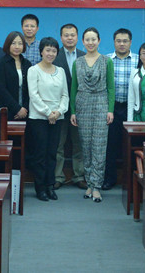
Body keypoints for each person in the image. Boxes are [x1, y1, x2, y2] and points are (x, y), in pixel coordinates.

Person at [70, 27, 115, 203]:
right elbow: (74, 88)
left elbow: (111, 87)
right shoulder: (77, 62)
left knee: (99, 146)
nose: (90, 43)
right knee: (86, 146)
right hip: (82, 105)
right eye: (87, 40)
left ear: (99, 41)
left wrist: (110, 109)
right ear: (83, 42)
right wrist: (73, 111)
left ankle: (97, 186)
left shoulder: (106, 61)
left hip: (101, 104)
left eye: (93, 39)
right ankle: (89, 183)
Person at [26, 37, 70, 202]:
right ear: (41, 52)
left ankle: (50, 185)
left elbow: (65, 95)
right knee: (40, 154)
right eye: (47, 50)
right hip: (39, 118)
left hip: (57, 117)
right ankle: (40, 188)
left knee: (52, 153)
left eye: (53, 51)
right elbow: (34, 95)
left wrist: (58, 112)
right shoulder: (33, 70)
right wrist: (48, 113)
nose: (50, 53)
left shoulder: (61, 71)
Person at [103, 28, 139, 190]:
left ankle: (130, 180)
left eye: (125, 41)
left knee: (131, 144)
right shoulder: (106, 60)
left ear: (130, 42)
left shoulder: (138, 60)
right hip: (111, 108)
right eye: (118, 41)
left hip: (133, 108)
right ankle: (110, 179)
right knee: (110, 145)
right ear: (114, 42)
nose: (122, 44)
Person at [53, 24, 87, 190]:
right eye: (66, 35)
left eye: (72, 35)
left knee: (79, 144)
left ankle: (79, 176)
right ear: (61, 38)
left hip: (79, 108)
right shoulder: (54, 55)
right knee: (58, 144)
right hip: (58, 107)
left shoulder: (84, 56)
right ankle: (58, 176)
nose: (69, 38)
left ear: (77, 37)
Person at [0, 31, 31, 120]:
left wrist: (25, 109)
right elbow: (1, 90)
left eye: (20, 43)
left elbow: (30, 89)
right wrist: (17, 109)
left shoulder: (27, 64)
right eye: (13, 43)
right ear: (8, 44)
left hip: (24, 112)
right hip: (5, 110)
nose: (17, 46)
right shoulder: (0, 63)